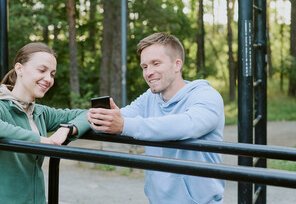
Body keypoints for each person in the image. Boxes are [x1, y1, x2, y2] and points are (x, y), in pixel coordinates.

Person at [88, 32, 225, 204]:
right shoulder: (150, 98)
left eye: (156, 64)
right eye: (144, 67)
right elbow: (122, 117)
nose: (149, 72)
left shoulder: (206, 96)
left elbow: (187, 124)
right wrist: (103, 118)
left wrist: (124, 125)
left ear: (177, 65)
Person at [0, 42, 90, 204]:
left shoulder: (39, 112)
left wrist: (67, 128)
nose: (48, 79)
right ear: (19, 69)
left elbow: (87, 114)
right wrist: (39, 140)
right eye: (42, 70)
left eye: (52, 74)